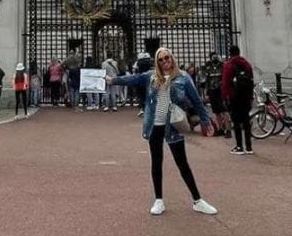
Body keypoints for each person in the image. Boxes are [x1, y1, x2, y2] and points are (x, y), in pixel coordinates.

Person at [108, 46, 217, 216]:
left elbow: (196, 101)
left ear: (172, 58)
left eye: (167, 58)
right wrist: (113, 80)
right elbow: (132, 79)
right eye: (161, 59)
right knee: (156, 162)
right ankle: (158, 200)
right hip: (155, 126)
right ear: (157, 62)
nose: (165, 61)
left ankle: (198, 200)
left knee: (182, 164)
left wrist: (205, 120)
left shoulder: (183, 77)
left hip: (172, 125)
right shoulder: (150, 77)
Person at [222, 45, 255, 155]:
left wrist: (225, 97)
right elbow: (251, 81)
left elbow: (226, 83)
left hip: (234, 97)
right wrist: (251, 97)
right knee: (246, 122)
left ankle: (239, 146)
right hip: (246, 97)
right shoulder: (247, 65)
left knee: (236, 122)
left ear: (230, 53)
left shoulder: (229, 65)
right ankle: (249, 147)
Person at [204, 52, 231, 137]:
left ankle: (228, 130)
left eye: (216, 56)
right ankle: (220, 129)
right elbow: (206, 79)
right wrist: (206, 90)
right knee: (216, 111)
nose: (214, 58)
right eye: (213, 57)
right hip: (212, 91)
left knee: (224, 111)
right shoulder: (208, 66)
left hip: (221, 91)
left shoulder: (223, 65)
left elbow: (226, 77)